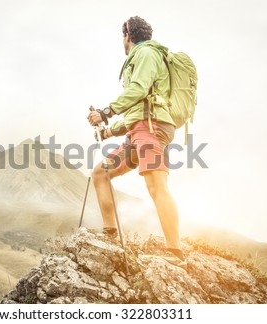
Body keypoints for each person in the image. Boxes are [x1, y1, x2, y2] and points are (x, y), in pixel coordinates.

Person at [87, 16, 186, 269]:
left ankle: (176, 253)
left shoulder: (145, 54)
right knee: (100, 173)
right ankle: (110, 235)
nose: (123, 41)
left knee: (157, 186)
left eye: (123, 37)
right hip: (140, 130)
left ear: (128, 36)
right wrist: (109, 132)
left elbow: (139, 90)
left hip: (151, 130)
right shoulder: (148, 57)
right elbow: (137, 112)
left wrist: (106, 112)